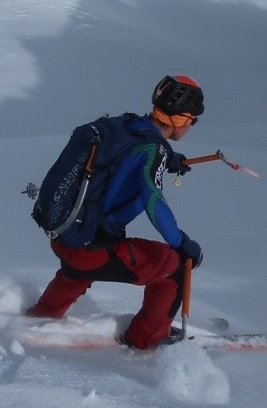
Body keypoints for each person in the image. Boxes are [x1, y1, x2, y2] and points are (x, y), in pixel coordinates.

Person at [26, 74, 205, 349]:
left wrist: (168, 158)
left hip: (65, 234)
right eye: (193, 120)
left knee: (78, 267)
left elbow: (129, 154)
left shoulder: (125, 124)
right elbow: (153, 199)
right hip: (91, 249)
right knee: (175, 267)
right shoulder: (152, 149)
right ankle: (143, 342)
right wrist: (182, 243)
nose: (192, 125)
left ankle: (39, 316)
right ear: (181, 118)